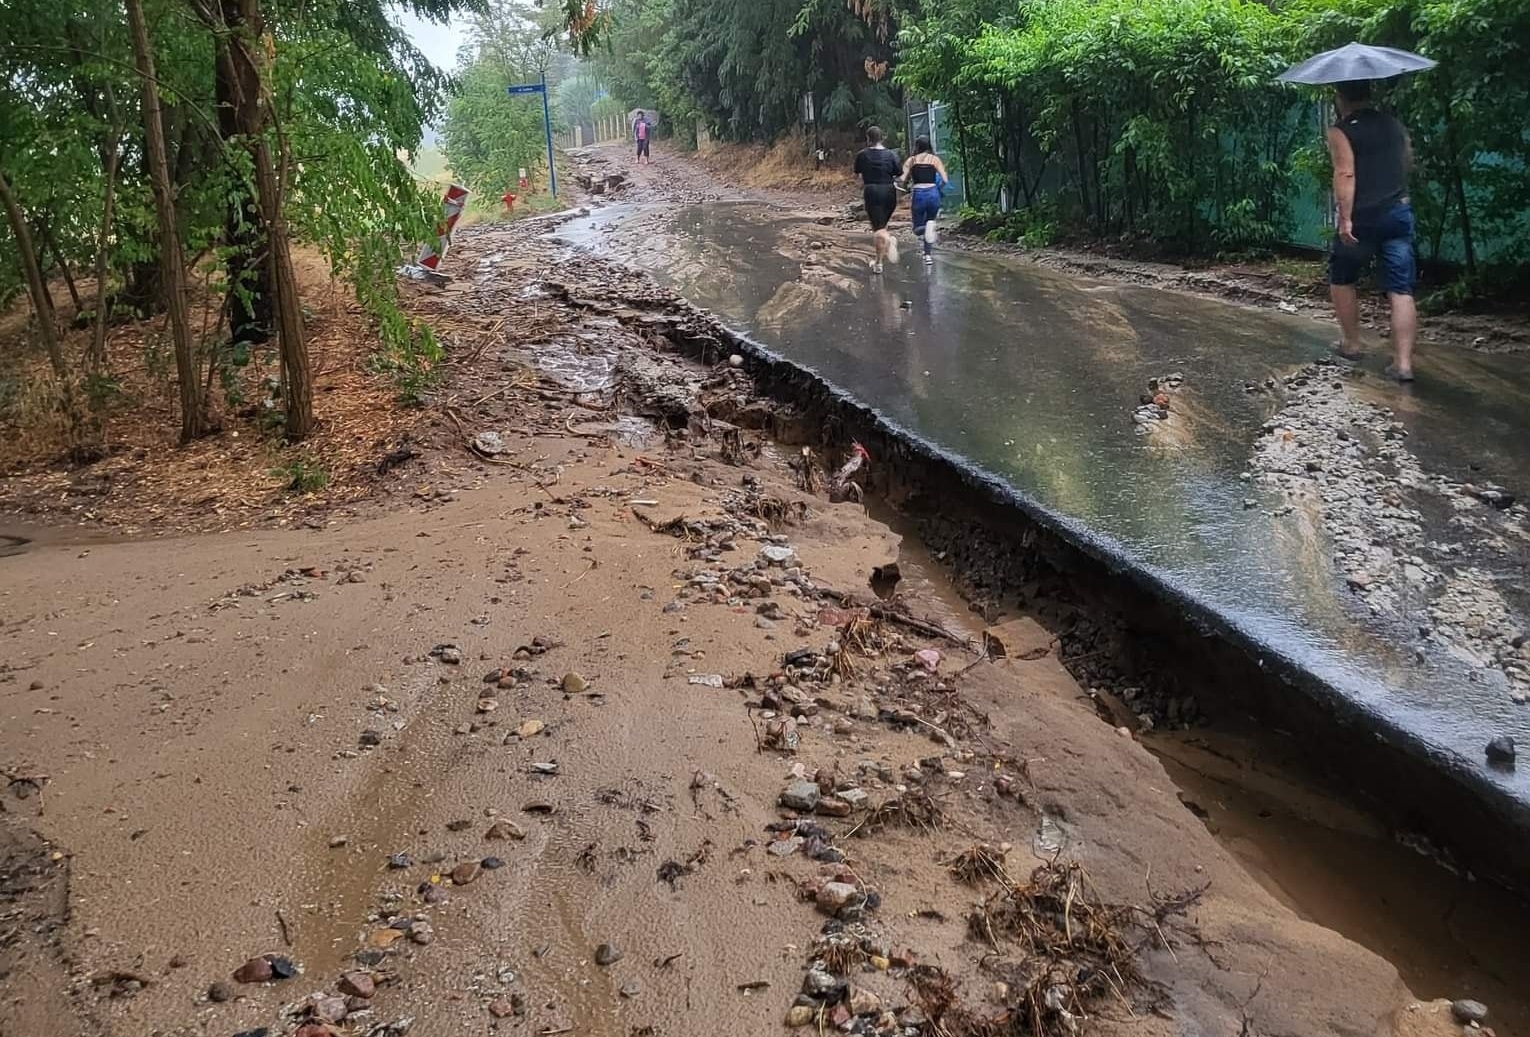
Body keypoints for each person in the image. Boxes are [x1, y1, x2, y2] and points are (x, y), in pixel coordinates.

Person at [1325, 79, 1417, 381]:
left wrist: (1345, 218)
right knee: (1400, 288)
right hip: (1398, 212)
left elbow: (1345, 172)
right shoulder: (1393, 124)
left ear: (1341, 97)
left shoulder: (1341, 130)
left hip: (1363, 218)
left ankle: (1352, 344)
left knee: (1342, 276)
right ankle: (1403, 364)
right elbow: (1408, 160)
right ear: (1368, 93)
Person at [853, 125, 901, 273]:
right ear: (882, 138)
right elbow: (898, 173)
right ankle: (879, 264)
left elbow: (858, 175)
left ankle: (889, 241)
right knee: (881, 227)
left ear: (868, 139)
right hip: (890, 191)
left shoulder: (862, 155)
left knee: (878, 229)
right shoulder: (891, 155)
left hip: (872, 191)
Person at [902, 136, 948, 265]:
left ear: (916, 146)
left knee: (917, 229)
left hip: (919, 195)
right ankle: (928, 256)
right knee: (930, 223)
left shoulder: (911, 161)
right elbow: (945, 179)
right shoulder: (935, 159)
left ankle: (928, 233)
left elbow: (902, 178)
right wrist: (938, 188)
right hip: (933, 194)